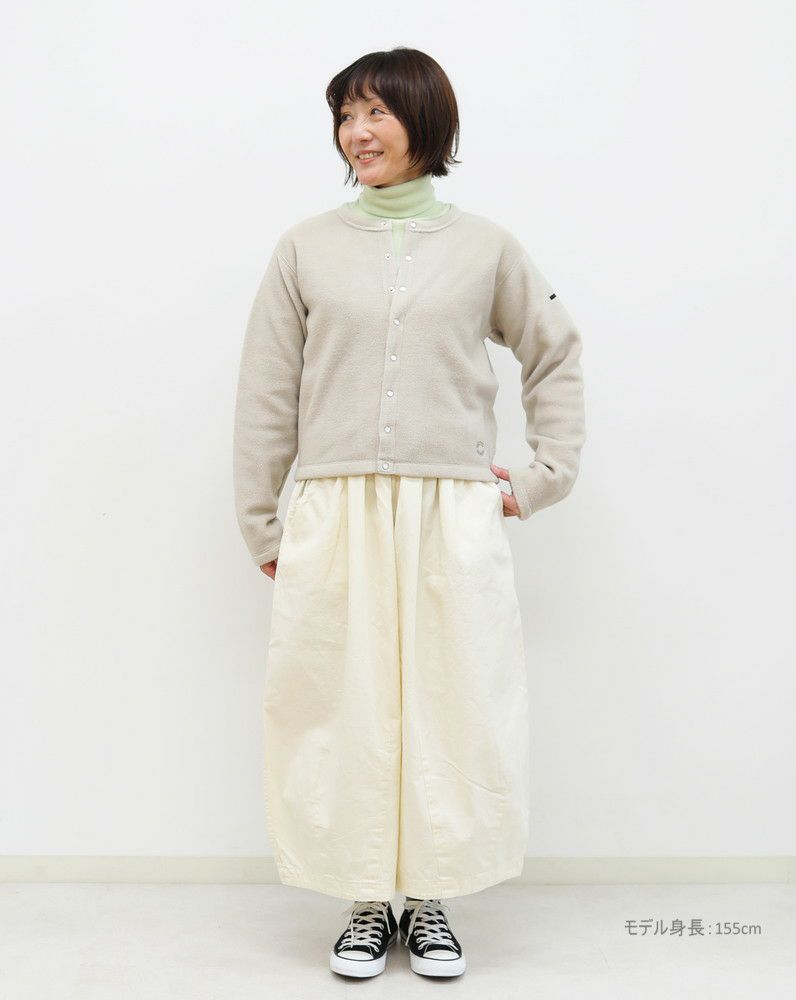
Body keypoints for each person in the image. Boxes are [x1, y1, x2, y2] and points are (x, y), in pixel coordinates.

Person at [232, 47, 586, 980]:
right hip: (337, 506)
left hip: (450, 508)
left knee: (452, 699)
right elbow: (266, 392)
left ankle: (430, 898)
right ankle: (362, 897)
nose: (358, 132)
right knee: (340, 701)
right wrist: (263, 521)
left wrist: (541, 477)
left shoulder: (488, 249)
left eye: (377, 112)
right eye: (346, 115)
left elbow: (554, 352)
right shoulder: (304, 248)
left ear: (426, 122)